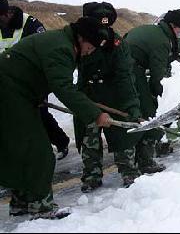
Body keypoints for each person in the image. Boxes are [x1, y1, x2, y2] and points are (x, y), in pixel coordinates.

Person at [0, 17, 111, 219]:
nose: (90, 51)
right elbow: (64, 88)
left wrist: (36, 94)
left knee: (20, 149)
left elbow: (36, 72)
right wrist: (95, 114)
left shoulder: (60, 41)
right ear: (81, 38)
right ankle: (41, 207)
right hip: (10, 95)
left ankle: (21, 201)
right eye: (91, 46)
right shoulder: (62, 48)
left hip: (16, 94)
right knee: (39, 152)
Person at [74, 2, 145, 192]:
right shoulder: (77, 40)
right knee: (90, 137)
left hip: (114, 95)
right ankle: (92, 175)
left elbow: (125, 76)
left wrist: (131, 105)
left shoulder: (117, 43)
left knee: (121, 132)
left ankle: (129, 171)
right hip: (87, 96)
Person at [0, 0, 70, 159]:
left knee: (38, 114)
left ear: (5, 14)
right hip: (7, 80)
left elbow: (45, 53)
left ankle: (60, 142)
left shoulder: (30, 24)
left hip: (32, 80)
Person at [125, 9, 180, 170]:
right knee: (151, 114)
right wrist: (164, 100)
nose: (179, 35)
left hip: (126, 70)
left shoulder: (151, 29)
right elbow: (157, 77)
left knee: (136, 110)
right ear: (172, 25)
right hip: (130, 71)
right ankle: (145, 162)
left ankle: (135, 160)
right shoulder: (161, 41)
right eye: (179, 31)